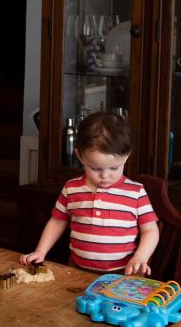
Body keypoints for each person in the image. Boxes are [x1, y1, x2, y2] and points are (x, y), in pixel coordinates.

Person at [21, 111, 160, 275]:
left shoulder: (136, 192)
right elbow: (57, 222)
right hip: (77, 269)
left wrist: (140, 257)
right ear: (80, 156)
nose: (105, 176)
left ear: (127, 156)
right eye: (95, 168)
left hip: (123, 274)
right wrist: (41, 251)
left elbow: (150, 230)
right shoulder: (71, 188)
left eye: (114, 168)